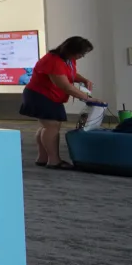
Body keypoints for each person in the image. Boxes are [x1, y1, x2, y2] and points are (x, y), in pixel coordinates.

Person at [20, 36, 95, 169]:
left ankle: (43, 158)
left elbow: (70, 74)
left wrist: (84, 80)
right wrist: (88, 99)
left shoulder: (67, 60)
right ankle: (54, 160)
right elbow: (65, 86)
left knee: (47, 126)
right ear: (71, 50)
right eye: (80, 53)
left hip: (46, 96)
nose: (81, 56)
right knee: (52, 126)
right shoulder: (53, 61)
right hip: (40, 96)